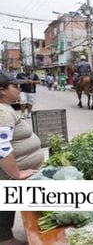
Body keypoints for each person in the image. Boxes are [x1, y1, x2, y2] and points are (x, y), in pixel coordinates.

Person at [0, 70, 44, 245]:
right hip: (8, 175)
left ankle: (5, 236)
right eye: (14, 86)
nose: (19, 89)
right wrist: (16, 173)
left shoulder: (6, 108)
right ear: (2, 90)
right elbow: (2, 148)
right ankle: (5, 239)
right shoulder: (2, 112)